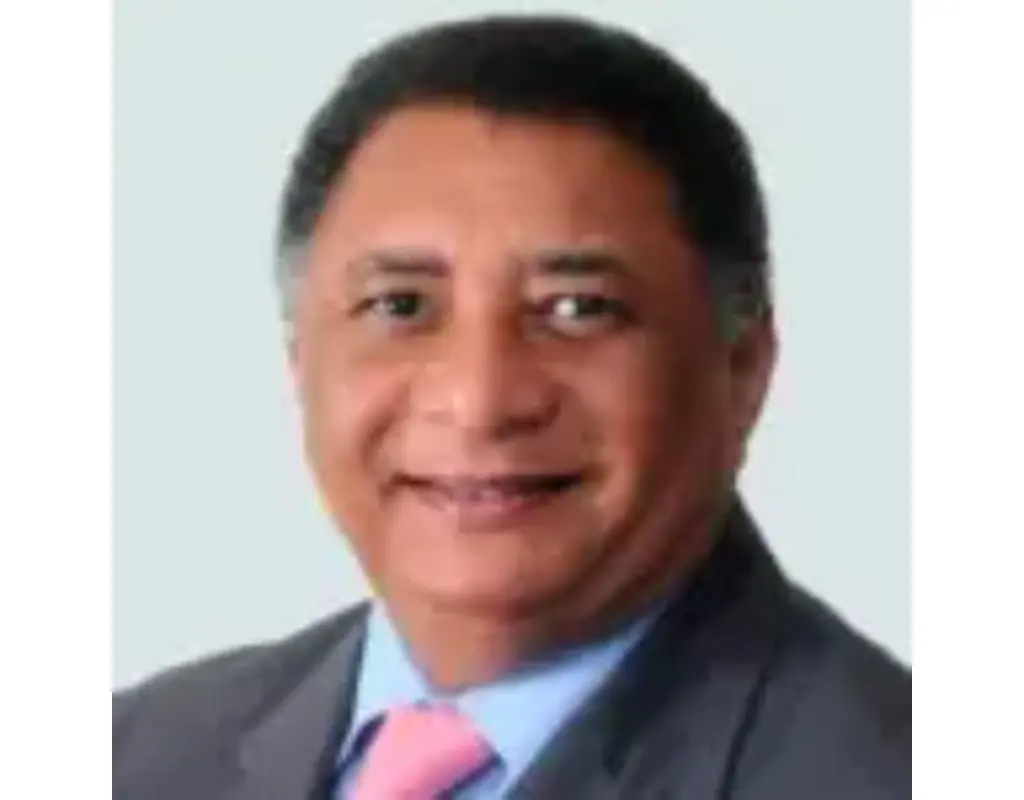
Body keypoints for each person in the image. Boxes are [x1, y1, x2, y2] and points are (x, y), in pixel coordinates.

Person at [113, 14, 910, 799]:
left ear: (742, 368)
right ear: (299, 357)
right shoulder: (135, 753)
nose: (479, 400)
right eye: (400, 306)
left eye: (577, 309)